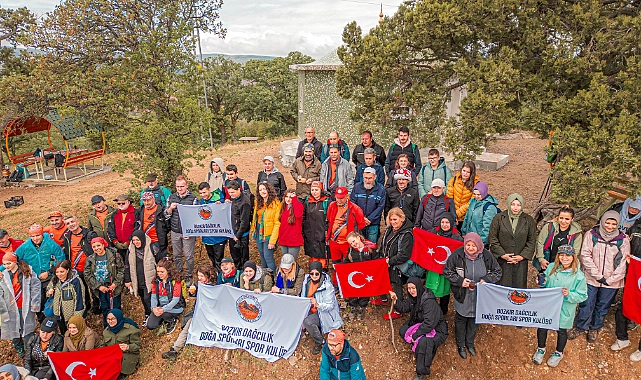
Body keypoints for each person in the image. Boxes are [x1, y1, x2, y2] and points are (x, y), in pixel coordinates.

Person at [569, 210, 629, 343]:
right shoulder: (592, 235)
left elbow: (624, 262)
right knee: (586, 303)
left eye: (614, 224)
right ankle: (580, 326)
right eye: (607, 223)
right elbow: (585, 255)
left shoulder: (623, 240)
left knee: (602, 306)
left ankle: (594, 327)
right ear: (602, 222)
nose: (610, 226)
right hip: (591, 278)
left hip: (612, 282)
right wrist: (598, 276)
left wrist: (610, 279)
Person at [443, 232, 501, 359]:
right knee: (461, 319)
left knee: (475, 320)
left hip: (480, 296)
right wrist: (460, 281)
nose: (470, 248)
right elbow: (447, 271)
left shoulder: (486, 256)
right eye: (468, 245)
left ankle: (470, 343)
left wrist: (486, 279)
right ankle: (460, 344)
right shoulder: (458, 255)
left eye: (473, 245)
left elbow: (497, 272)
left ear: (479, 246)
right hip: (462, 295)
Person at [533, 245, 587, 367]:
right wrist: (542, 282)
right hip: (548, 305)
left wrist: (569, 295)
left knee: (561, 331)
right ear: (558, 256)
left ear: (573, 257)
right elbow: (546, 281)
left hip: (565, 308)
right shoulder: (552, 267)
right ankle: (541, 348)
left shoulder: (578, 276)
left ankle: (559, 352)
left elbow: (583, 296)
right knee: (542, 327)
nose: (565, 258)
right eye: (561, 255)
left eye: (568, 255)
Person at [390, 277, 448, 380]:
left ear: (419, 287)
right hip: (420, 323)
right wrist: (396, 300)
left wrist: (415, 335)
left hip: (437, 330)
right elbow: (404, 307)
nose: (411, 291)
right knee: (403, 331)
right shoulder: (413, 298)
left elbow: (429, 324)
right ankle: (417, 344)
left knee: (424, 342)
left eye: (413, 288)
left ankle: (421, 372)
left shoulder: (428, 302)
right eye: (409, 288)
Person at [162, 264, 216, 360]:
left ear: (208, 276)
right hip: (198, 312)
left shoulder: (214, 286)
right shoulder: (198, 283)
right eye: (198, 276)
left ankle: (175, 349)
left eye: (202, 276)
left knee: (189, 325)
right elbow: (193, 295)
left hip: (209, 314)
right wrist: (192, 292)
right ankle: (174, 350)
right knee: (188, 325)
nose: (199, 278)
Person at [610, 197, 641, 360]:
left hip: (637, 271)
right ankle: (622, 338)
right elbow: (626, 242)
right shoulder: (637, 227)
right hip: (634, 272)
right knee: (624, 307)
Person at [14, 225, 65, 319]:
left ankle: (56, 318)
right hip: (34, 280)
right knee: (37, 302)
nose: (35, 238)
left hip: (49, 278)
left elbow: (61, 259)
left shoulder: (50, 244)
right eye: (32, 236)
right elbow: (13, 259)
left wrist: (49, 272)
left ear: (42, 234)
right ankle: (42, 321)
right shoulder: (25, 246)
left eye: (37, 235)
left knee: (52, 299)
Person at [488, 193, 537, 288]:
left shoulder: (528, 220)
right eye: (513, 204)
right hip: (502, 261)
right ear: (508, 204)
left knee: (518, 288)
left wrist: (522, 256)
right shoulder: (498, 218)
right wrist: (502, 254)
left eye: (518, 205)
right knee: (501, 286)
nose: (515, 207)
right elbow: (493, 238)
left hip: (520, 263)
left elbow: (531, 241)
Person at [0, 253, 41, 357]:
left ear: (15, 261)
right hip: (11, 307)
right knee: (13, 329)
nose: (6, 266)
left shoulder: (27, 271)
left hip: (24, 305)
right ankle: (19, 347)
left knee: (27, 328)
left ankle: (29, 347)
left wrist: (35, 303)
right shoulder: (3, 274)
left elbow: (35, 287)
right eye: (4, 264)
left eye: (9, 263)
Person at [301, 261, 343, 354]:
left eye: (317, 273)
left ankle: (320, 342)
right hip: (310, 309)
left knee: (308, 322)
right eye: (312, 273)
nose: (314, 276)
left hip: (323, 313)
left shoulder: (327, 286)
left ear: (320, 273)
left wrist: (317, 304)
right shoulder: (306, 282)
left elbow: (330, 305)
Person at [379, 207, 414, 319]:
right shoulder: (389, 229)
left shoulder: (406, 234)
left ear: (402, 219)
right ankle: (384, 299)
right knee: (384, 280)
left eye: (395, 219)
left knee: (396, 284)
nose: (393, 222)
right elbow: (384, 244)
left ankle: (398, 310)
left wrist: (390, 261)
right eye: (391, 220)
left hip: (397, 265)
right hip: (386, 262)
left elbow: (404, 255)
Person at [326, 187, 366, 282]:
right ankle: (336, 284)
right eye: (337, 197)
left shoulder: (355, 208)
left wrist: (351, 235)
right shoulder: (332, 206)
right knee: (335, 265)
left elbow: (361, 224)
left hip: (347, 243)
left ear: (347, 197)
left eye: (341, 198)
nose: (339, 200)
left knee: (349, 265)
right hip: (334, 241)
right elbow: (329, 219)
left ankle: (348, 284)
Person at [165, 175, 198, 286]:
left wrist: (190, 232)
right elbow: (166, 215)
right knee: (177, 255)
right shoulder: (171, 197)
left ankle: (189, 277)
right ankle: (179, 275)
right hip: (175, 230)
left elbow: (196, 217)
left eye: (182, 186)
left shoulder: (193, 199)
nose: (180, 189)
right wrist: (170, 209)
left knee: (189, 256)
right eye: (178, 186)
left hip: (187, 232)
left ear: (186, 186)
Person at [84, 237, 125, 324]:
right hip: (101, 288)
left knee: (115, 307)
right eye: (94, 247)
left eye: (98, 245)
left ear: (103, 245)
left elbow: (121, 270)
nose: (97, 248)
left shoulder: (114, 256)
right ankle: (107, 325)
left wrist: (115, 283)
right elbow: (87, 275)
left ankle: (118, 325)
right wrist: (98, 286)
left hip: (112, 287)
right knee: (104, 307)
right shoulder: (90, 259)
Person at [427, 214, 462, 315]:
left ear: (451, 223)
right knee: (431, 288)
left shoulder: (456, 236)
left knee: (445, 290)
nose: (444, 225)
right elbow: (424, 240)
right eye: (442, 222)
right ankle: (430, 310)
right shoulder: (434, 233)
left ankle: (443, 311)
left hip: (447, 269)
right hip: (433, 267)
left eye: (447, 222)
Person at [534, 205, 583, 272]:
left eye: (567, 219)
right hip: (547, 260)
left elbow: (575, 251)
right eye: (561, 218)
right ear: (558, 217)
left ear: (572, 219)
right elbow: (540, 243)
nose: (563, 221)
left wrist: (567, 264)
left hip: (565, 263)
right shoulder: (549, 227)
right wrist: (541, 259)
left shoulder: (576, 233)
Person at [46, 260, 85, 334]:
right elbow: (47, 291)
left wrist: (76, 318)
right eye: (57, 272)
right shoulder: (55, 280)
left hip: (71, 315)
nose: (59, 274)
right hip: (59, 314)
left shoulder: (76, 282)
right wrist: (49, 292)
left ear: (67, 270)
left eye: (62, 272)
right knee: (63, 333)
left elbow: (80, 300)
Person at [126, 230, 156, 326]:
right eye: (134, 240)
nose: (135, 242)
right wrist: (128, 280)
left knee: (149, 298)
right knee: (143, 298)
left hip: (150, 279)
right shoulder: (131, 250)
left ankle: (153, 315)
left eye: (137, 240)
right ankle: (147, 314)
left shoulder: (152, 247)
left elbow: (159, 261)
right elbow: (127, 265)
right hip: (138, 280)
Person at [147, 259, 184, 334]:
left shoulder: (176, 281)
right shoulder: (156, 281)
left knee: (164, 314)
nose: (159, 274)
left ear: (168, 271)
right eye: (158, 272)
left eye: (162, 272)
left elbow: (175, 300)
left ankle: (172, 320)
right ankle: (163, 318)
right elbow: (153, 297)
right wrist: (154, 308)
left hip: (175, 307)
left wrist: (163, 309)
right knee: (150, 325)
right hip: (161, 307)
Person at [345, 232, 376, 320]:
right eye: (351, 243)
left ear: (358, 238)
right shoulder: (351, 251)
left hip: (366, 276)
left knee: (365, 291)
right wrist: (339, 267)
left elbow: (376, 259)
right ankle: (353, 306)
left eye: (354, 241)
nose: (353, 244)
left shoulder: (370, 248)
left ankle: (362, 307)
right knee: (353, 291)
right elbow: (346, 262)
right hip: (355, 276)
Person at [251, 182, 282, 272]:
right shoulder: (258, 202)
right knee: (261, 254)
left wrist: (272, 241)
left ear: (269, 190)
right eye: (260, 190)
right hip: (259, 231)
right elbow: (255, 217)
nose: (262, 191)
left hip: (269, 232)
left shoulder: (276, 204)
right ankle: (265, 275)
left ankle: (272, 277)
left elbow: (277, 223)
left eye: (264, 189)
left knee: (268, 256)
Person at [351, 168, 386, 244]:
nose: (367, 180)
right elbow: (353, 204)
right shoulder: (357, 187)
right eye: (365, 178)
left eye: (370, 178)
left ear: (375, 177)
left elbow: (380, 207)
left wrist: (369, 219)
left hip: (373, 223)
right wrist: (361, 218)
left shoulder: (381, 189)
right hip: (358, 222)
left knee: (371, 245)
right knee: (359, 244)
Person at [198, 181, 227, 271]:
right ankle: (215, 275)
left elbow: (225, 212)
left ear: (209, 190)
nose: (203, 195)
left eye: (204, 192)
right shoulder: (201, 202)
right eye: (201, 193)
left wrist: (221, 206)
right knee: (212, 259)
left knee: (219, 259)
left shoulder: (219, 199)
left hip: (219, 235)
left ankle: (220, 277)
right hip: (207, 236)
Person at [103, 309, 141, 379]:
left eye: (113, 319)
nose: (110, 321)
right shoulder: (106, 331)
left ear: (118, 318)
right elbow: (103, 346)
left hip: (127, 355)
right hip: (113, 357)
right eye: (108, 319)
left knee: (119, 374)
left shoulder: (131, 329)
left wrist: (128, 347)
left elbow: (138, 346)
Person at [303, 181, 331, 269]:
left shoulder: (327, 201)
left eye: (316, 190)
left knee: (322, 251)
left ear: (321, 190)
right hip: (310, 231)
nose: (314, 192)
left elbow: (330, 217)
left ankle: (323, 269)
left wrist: (327, 230)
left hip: (322, 231)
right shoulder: (308, 201)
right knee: (312, 251)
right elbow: (303, 215)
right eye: (312, 190)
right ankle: (314, 269)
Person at [107, 194, 139, 270]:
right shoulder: (115, 214)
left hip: (132, 245)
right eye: (118, 203)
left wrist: (129, 241)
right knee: (121, 266)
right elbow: (110, 229)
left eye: (123, 203)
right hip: (118, 245)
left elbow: (137, 228)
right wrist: (115, 241)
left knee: (133, 266)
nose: (120, 205)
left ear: (129, 202)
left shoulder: (135, 213)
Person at [136, 191, 169, 259]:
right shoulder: (140, 211)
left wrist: (163, 232)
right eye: (144, 200)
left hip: (158, 241)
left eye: (148, 200)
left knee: (159, 262)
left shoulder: (161, 210)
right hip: (145, 241)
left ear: (153, 199)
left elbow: (167, 225)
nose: (146, 203)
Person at [446, 161, 479, 226]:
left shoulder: (475, 184)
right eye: (464, 171)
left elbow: (471, 202)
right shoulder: (453, 180)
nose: (465, 173)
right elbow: (449, 198)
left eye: (468, 172)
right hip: (452, 215)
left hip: (466, 217)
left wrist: (457, 214)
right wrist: (453, 214)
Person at [227, 180, 252, 269]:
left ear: (239, 189)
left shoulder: (245, 202)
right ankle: (237, 272)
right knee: (235, 256)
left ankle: (245, 273)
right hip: (233, 232)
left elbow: (244, 221)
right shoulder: (233, 199)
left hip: (242, 235)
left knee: (243, 257)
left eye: (233, 192)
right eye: (229, 192)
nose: (231, 194)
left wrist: (238, 236)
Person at [278, 189, 304, 259]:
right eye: (286, 197)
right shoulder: (283, 207)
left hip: (293, 240)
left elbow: (298, 214)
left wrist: (294, 199)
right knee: (285, 261)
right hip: (283, 238)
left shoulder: (298, 206)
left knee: (291, 261)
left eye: (290, 197)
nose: (288, 199)